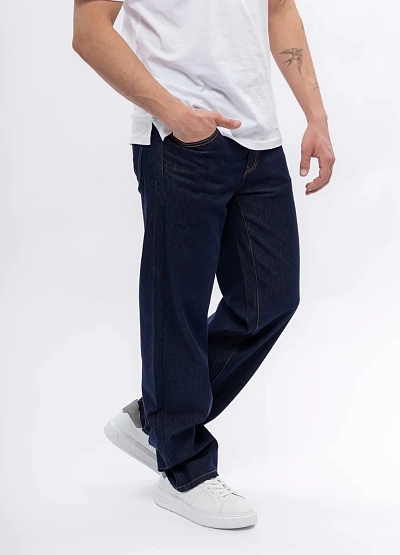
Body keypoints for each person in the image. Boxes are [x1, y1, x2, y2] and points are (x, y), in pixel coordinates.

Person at [72, 0, 335, 529]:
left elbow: (280, 9)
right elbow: (89, 30)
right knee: (178, 305)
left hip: (258, 141)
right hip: (178, 141)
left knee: (271, 299)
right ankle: (183, 470)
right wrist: (173, 113)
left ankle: (156, 419)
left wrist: (316, 115)